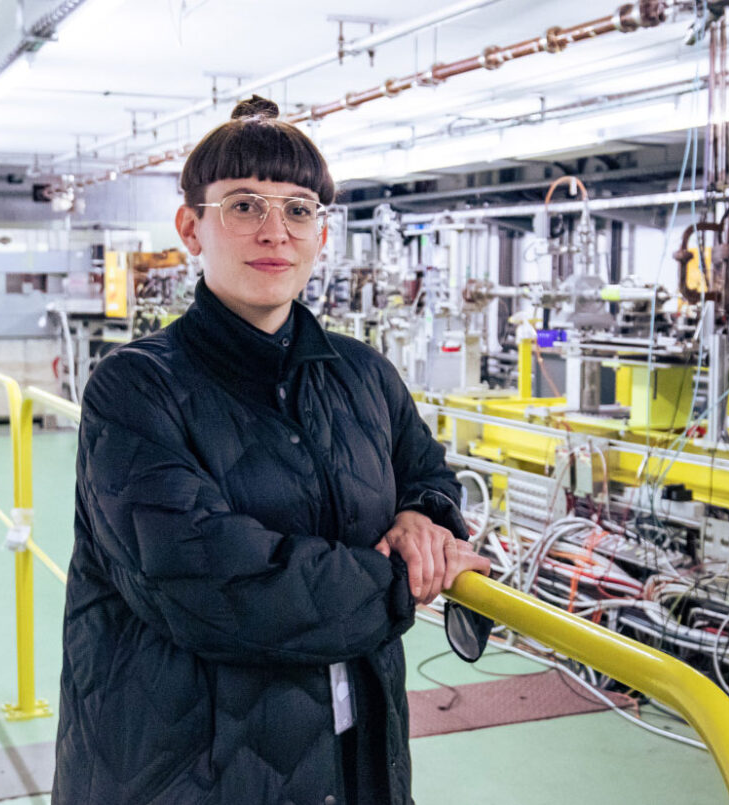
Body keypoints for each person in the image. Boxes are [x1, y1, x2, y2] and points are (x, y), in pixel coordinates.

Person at [53, 95, 491, 805]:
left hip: (353, 757)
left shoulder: (361, 373)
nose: (275, 231)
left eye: (298, 208)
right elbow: (208, 583)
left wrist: (424, 519)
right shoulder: (134, 389)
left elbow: (426, 474)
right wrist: (399, 582)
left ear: (321, 233)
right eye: (244, 205)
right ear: (191, 228)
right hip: (185, 769)